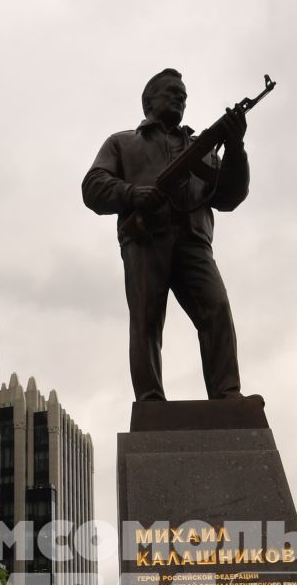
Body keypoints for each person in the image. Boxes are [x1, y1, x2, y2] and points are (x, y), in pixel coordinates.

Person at [82, 68, 250, 402]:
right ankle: (150, 400)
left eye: (184, 95)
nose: (180, 97)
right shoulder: (123, 142)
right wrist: (132, 194)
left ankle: (227, 393)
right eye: (171, 91)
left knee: (216, 309)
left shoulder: (201, 148)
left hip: (194, 242)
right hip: (146, 239)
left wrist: (234, 148)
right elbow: (92, 186)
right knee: (146, 320)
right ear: (148, 101)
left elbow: (230, 196)